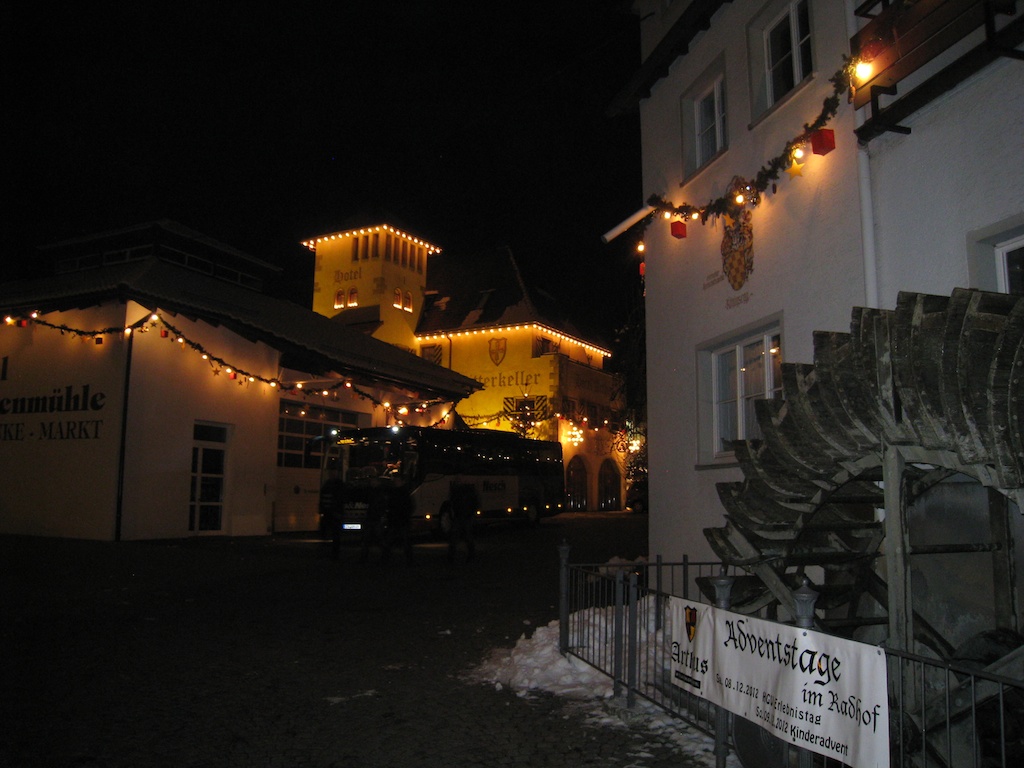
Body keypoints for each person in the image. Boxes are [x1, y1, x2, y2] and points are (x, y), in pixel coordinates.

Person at [447, 482, 479, 564]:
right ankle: (470, 554)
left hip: (461, 516)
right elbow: (475, 504)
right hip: (465, 516)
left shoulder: (457, 495)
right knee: (466, 536)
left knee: (456, 536)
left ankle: (452, 555)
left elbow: (453, 505)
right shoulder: (469, 494)